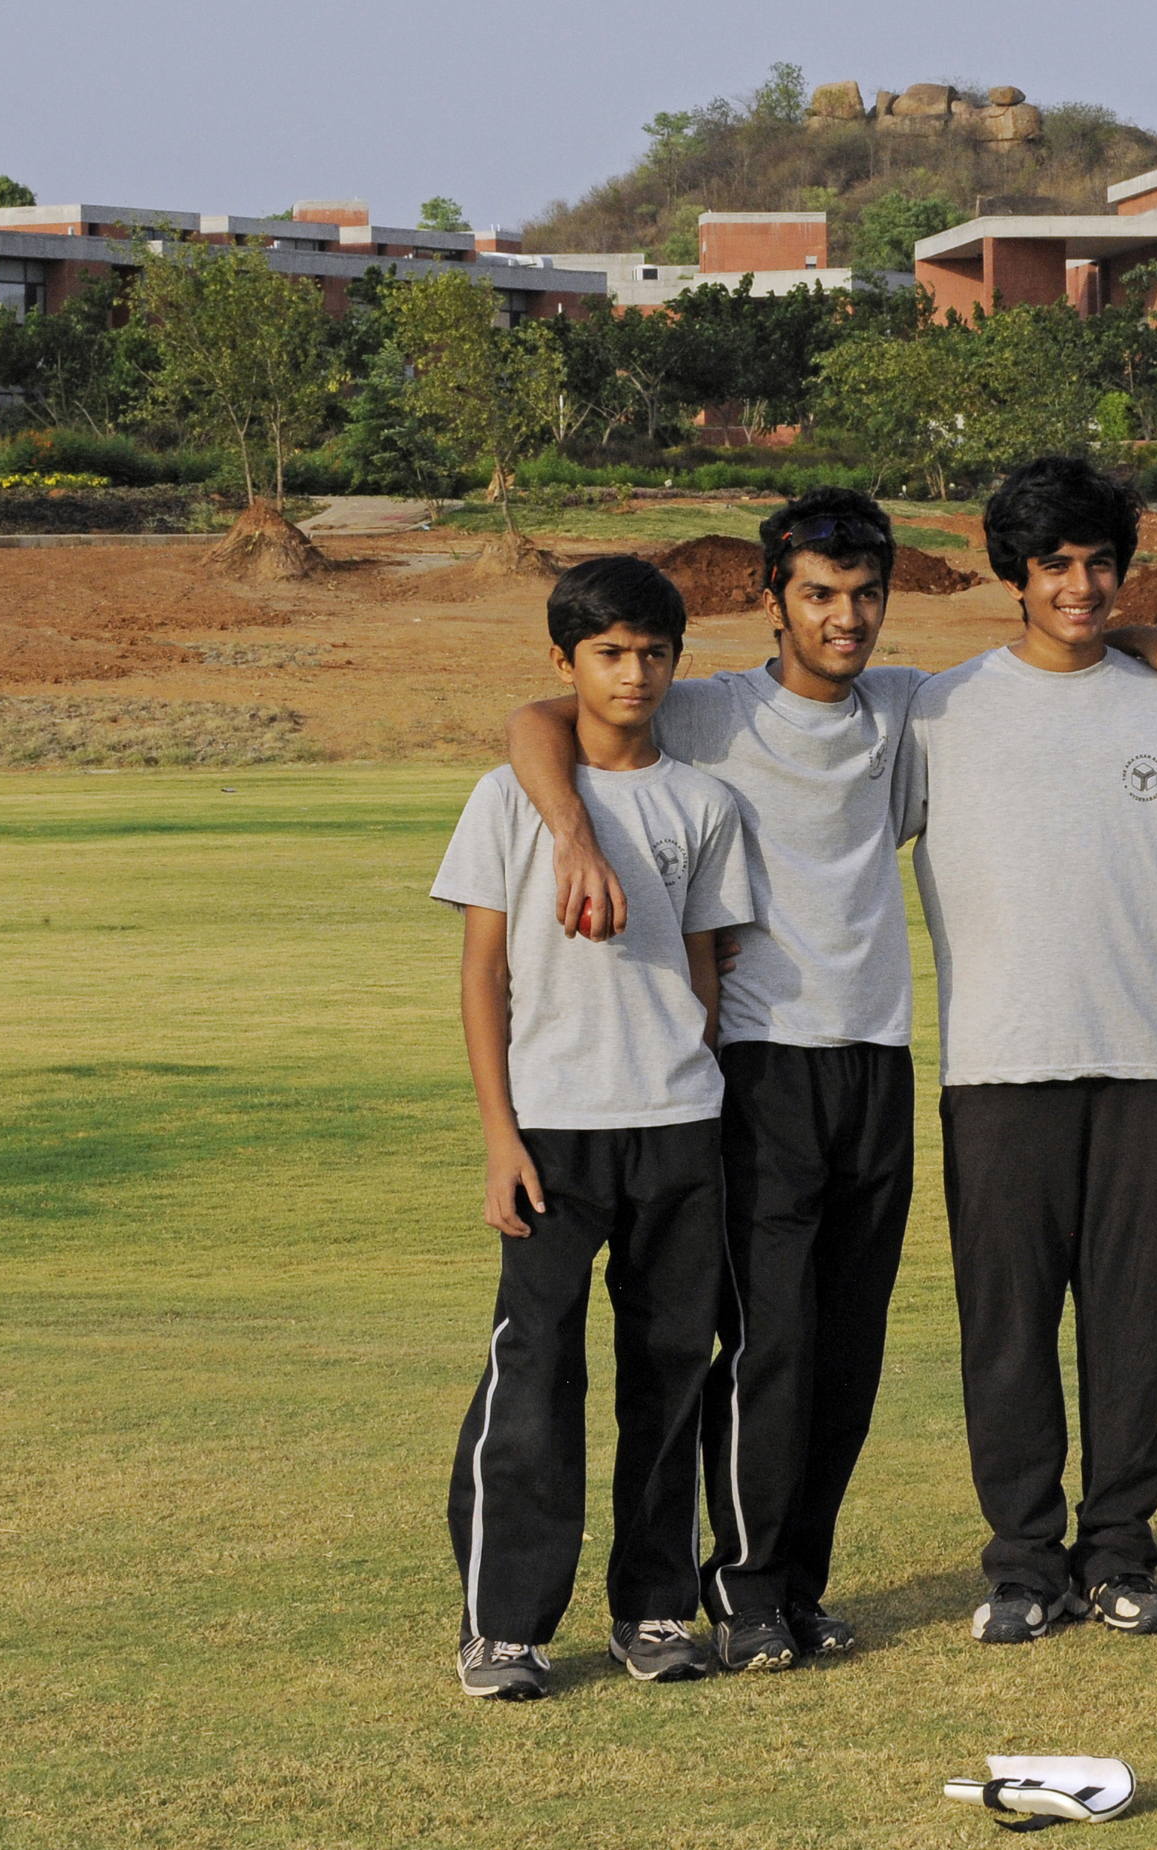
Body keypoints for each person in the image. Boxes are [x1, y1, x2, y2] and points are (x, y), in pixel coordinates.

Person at [502, 490, 1157, 1671]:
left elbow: (1053, 653)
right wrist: (573, 830)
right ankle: (749, 1590)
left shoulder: (908, 706)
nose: (847, 617)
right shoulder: (708, 710)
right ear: (771, 597)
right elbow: (540, 712)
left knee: (848, 1349)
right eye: (820, 594)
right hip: (758, 1065)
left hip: (878, 1060)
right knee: (771, 1341)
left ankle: (806, 1585)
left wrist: (1131, 635)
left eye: (865, 594)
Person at [898, 456, 1157, 1645]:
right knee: (1010, 1331)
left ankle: (1123, 1553)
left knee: (1132, 1329)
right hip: (994, 1066)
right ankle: (1024, 1563)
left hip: (1143, 1063)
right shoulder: (938, 707)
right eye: (1055, 565)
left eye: (1099, 564)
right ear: (1013, 574)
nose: (1080, 586)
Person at [435, 557, 754, 1699]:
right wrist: (499, 1134)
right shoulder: (505, 797)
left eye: (654, 651)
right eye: (610, 653)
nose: (635, 673)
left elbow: (709, 967)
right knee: (534, 1378)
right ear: (565, 663)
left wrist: (685, 1075)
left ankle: (656, 1607)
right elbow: (482, 974)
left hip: (678, 1128)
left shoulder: (707, 805)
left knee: (670, 1374)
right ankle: (506, 1624)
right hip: (553, 1137)